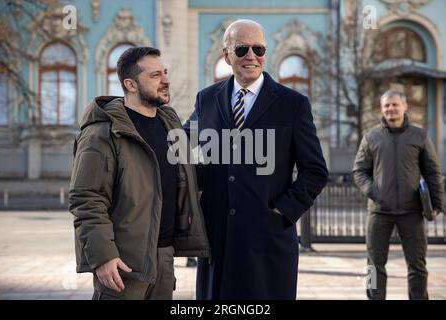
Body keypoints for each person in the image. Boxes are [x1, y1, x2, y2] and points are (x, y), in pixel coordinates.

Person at [184, 19, 328, 300]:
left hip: (267, 241)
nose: (251, 56)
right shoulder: (207, 100)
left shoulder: (293, 105)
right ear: (226, 55)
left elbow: (315, 171)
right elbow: (187, 154)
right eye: (242, 49)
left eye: (258, 49)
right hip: (218, 239)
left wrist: (284, 210)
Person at [69, 47, 209, 300]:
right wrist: (103, 256)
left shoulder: (171, 125)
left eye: (165, 72)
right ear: (130, 84)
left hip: (164, 259)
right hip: (122, 264)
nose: (166, 80)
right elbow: (87, 199)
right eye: (155, 75)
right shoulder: (101, 133)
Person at [353, 89, 445, 300]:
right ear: (382, 109)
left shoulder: (419, 136)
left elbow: (433, 172)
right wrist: (373, 191)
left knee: (417, 265)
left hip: (412, 212)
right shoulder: (371, 137)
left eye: (395, 105)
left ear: (404, 106)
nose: (391, 109)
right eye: (386, 106)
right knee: (373, 265)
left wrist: (438, 204)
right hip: (379, 212)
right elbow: (359, 171)